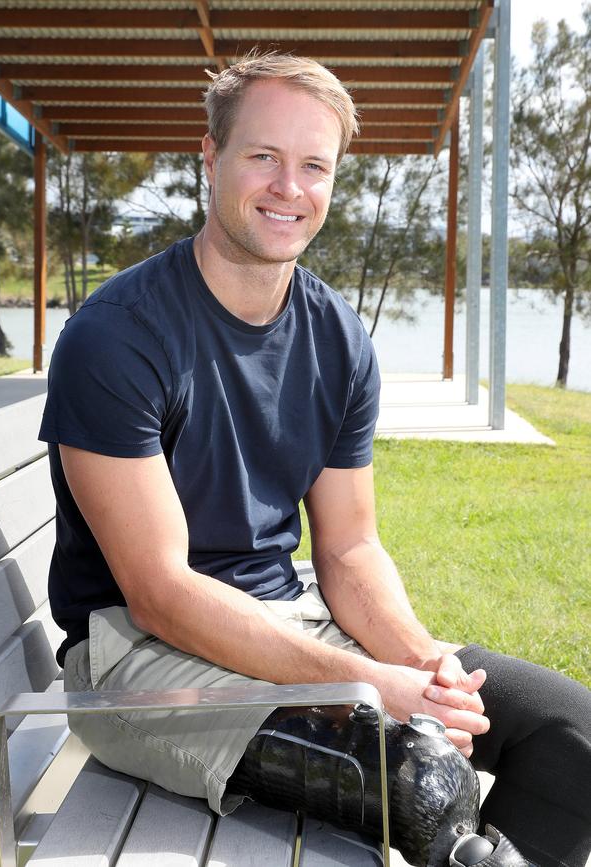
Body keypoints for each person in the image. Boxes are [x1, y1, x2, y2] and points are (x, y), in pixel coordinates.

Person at [39, 53, 590, 867]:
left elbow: (347, 547)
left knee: (572, 734)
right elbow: (157, 593)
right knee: (423, 781)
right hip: (134, 659)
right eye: (263, 156)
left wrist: (420, 660)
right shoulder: (117, 337)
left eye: (313, 166)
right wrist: (355, 684)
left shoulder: (337, 338)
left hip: (285, 618)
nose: (287, 187)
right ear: (210, 158)